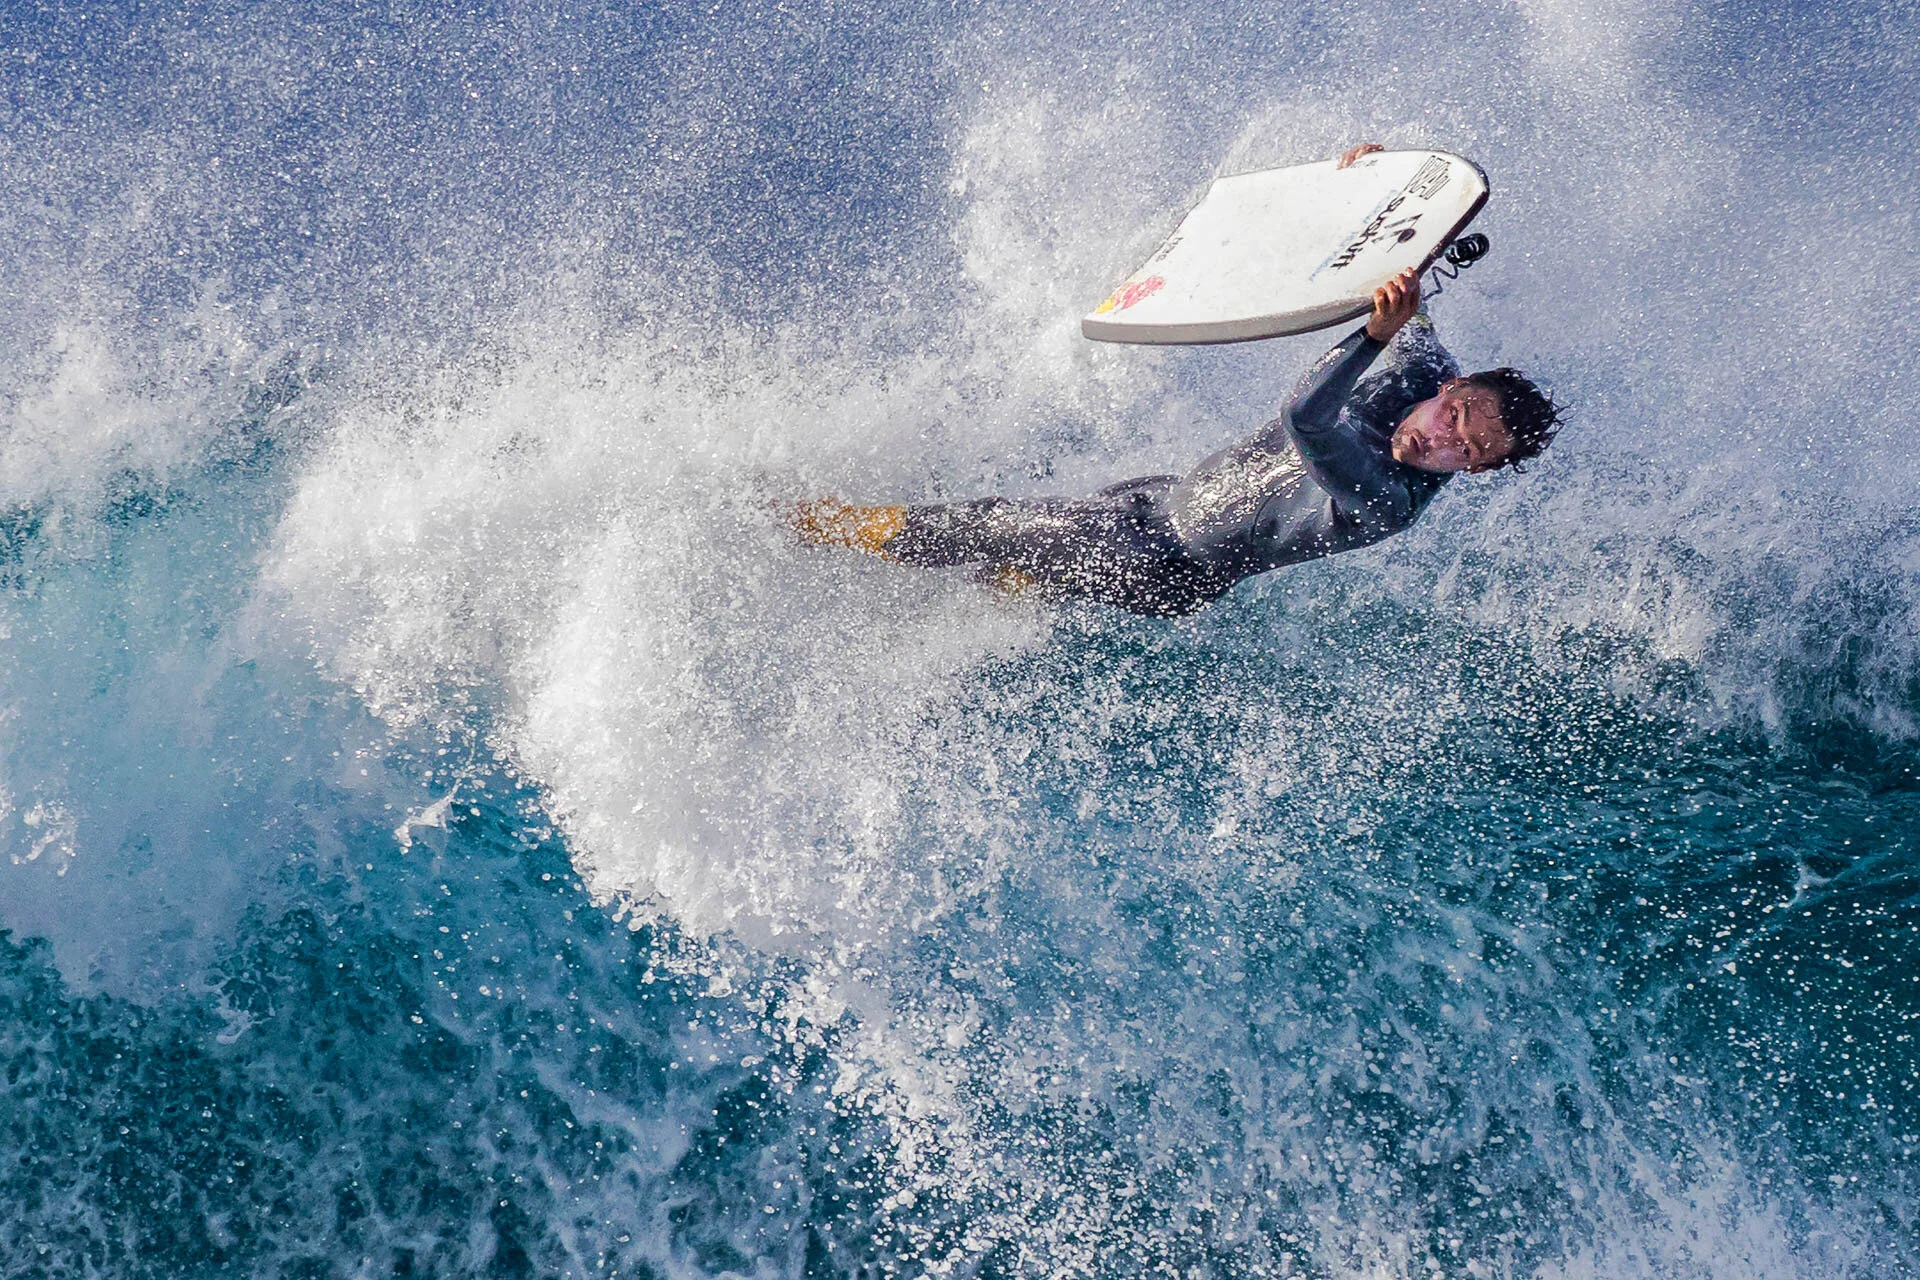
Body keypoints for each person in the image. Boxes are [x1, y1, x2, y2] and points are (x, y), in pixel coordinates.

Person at [793, 145, 1564, 619]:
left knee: (994, 524)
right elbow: (1413, 286)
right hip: (1165, 503)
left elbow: (1305, 419)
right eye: (1456, 415)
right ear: (1454, 386)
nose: (1441, 439)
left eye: (1466, 452)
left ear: (1473, 471)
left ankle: (806, 525)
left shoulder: (1390, 499)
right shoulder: (1426, 368)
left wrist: (1370, 336)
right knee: (1012, 570)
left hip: (1161, 558)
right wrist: (1365, 200)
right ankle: (913, 614)